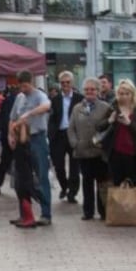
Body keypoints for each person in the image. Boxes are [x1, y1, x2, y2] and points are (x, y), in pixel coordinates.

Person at [9, 69, 53, 225]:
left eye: (26, 86)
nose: (23, 89)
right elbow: (12, 118)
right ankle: (25, 214)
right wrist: (10, 135)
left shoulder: (39, 95)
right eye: (21, 86)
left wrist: (29, 114)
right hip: (22, 141)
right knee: (22, 179)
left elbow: (47, 105)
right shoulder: (19, 98)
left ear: (31, 82)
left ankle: (46, 214)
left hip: (37, 139)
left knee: (41, 176)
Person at [67, 77, 113, 220]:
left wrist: (103, 143)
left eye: (92, 89)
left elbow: (110, 127)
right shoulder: (77, 108)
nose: (89, 92)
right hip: (83, 152)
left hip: (99, 153)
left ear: (98, 91)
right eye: (87, 89)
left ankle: (103, 211)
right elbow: (71, 128)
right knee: (86, 183)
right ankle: (88, 211)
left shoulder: (106, 107)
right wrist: (75, 143)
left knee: (101, 183)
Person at [97, 79, 136, 196]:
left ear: (132, 93)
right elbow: (99, 126)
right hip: (115, 153)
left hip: (133, 155)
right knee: (116, 185)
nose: (123, 96)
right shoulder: (113, 106)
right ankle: (118, 212)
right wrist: (110, 120)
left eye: (127, 93)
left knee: (134, 186)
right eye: (121, 93)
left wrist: (129, 123)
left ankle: (135, 212)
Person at [49, 71, 84, 203]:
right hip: (59, 135)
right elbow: (52, 119)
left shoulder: (80, 98)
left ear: (72, 83)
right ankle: (64, 187)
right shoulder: (55, 99)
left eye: (68, 82)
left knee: (75, 166)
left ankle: (72, 192)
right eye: (63, 83)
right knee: (58, 165)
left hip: (74, 135)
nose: (65, 85)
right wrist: (50, 133)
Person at [0, 85, 19, 194]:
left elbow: (1, 120)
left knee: (5, 161)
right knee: (21, 161)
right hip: (15, 135)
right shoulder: (15, 100)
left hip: (7, 136)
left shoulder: (6, 101)